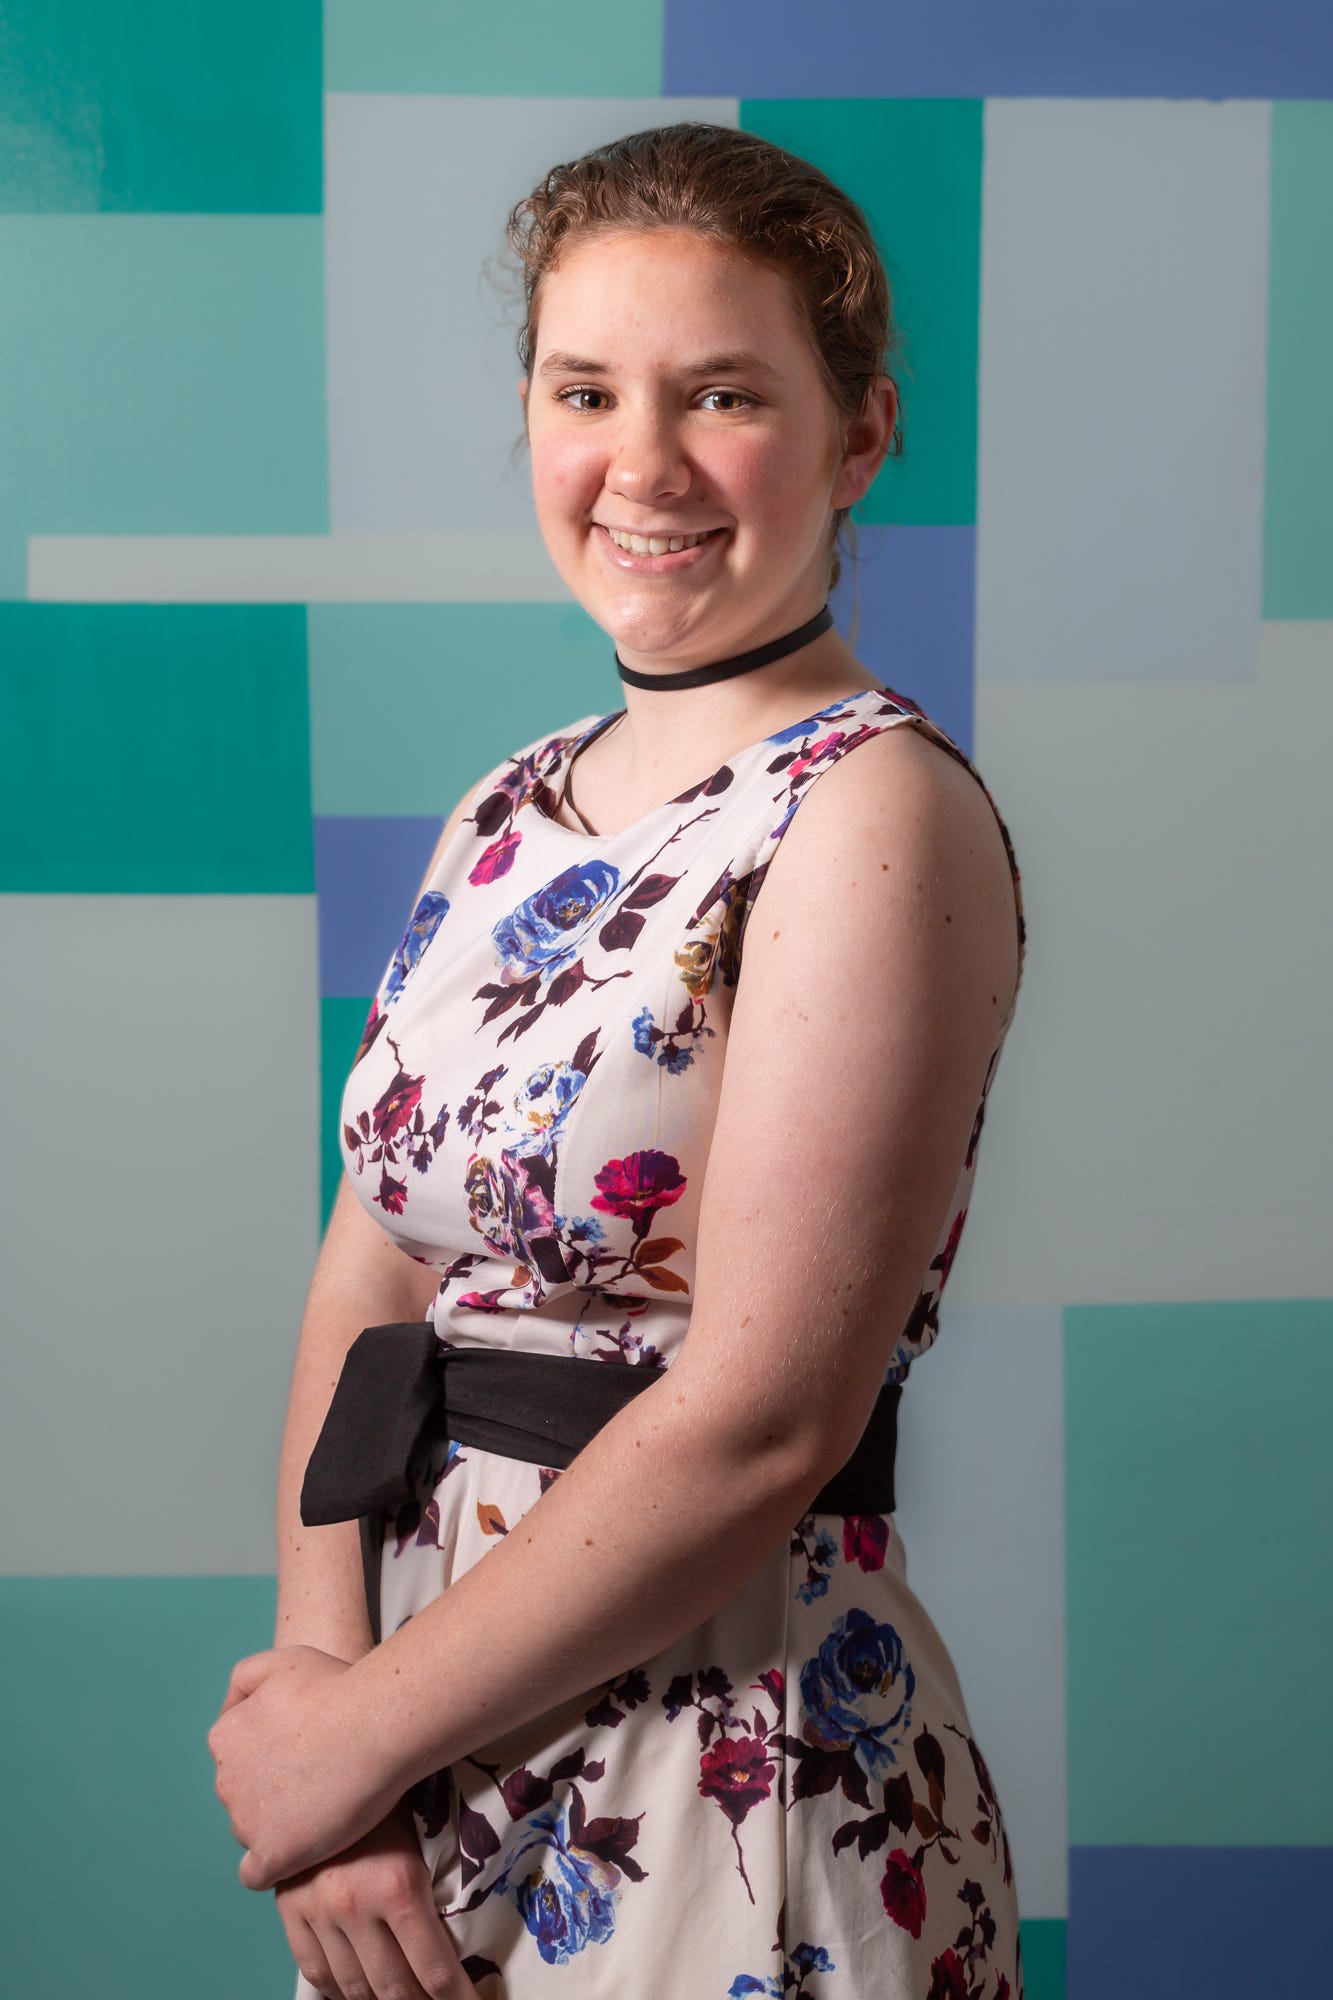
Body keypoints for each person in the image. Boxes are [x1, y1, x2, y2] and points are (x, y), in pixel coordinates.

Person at [208, 121, 1028, 2000]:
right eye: (588, 391)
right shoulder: (511, 801)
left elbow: (758, 1418)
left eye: (721, 394)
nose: (640, 464)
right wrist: (325, 1706)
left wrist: (354, 1739)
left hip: (723, 1762)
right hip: (429, 1763)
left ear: (860, 438)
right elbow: (376, 1272)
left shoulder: (868, 813)